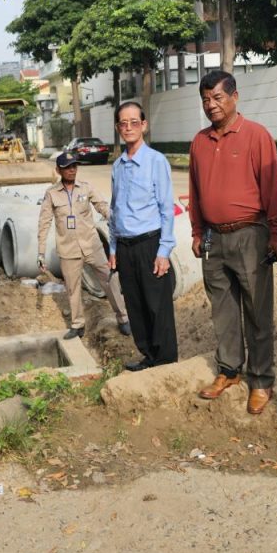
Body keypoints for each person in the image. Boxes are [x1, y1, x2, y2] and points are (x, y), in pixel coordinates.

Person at [189, 70, 277, 415]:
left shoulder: (256, 135)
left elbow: (271, 188)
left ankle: (260, 380)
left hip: (250, 235)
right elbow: (195, 190)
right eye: (205, 99)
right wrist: (197, 232)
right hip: (213, 238)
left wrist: (276, 234)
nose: (211, 105)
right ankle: (229, 370)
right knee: (223, 310)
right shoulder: (200, 141)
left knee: (257, 311)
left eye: (217, 97)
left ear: (234, 97)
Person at [107, 101, 178, 371]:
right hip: (125, 248)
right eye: (123, 123)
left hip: (150, 243)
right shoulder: (117, 166)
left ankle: (166, 362)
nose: (129, 128)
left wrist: (164, 251)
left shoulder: (156, 161)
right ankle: (148, 356)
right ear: (118, 128)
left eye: (134, 122)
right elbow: (114, 210)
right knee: (135, 305)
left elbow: (166, 209)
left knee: (157, 306)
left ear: (144, 126)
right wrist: (113, 247)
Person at [37, 151, 130, 339]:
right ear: (58, 170)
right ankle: (77, 325)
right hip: (68, 250)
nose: (72, 170)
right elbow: (44, 223)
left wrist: (114, 219)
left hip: (92, 245)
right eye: (67, 167)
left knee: (109, 280)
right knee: (73, 288)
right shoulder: (51, 194)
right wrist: (41, 252)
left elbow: (102, 205)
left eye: (74, 166)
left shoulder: (86, 188)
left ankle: (123, 318)